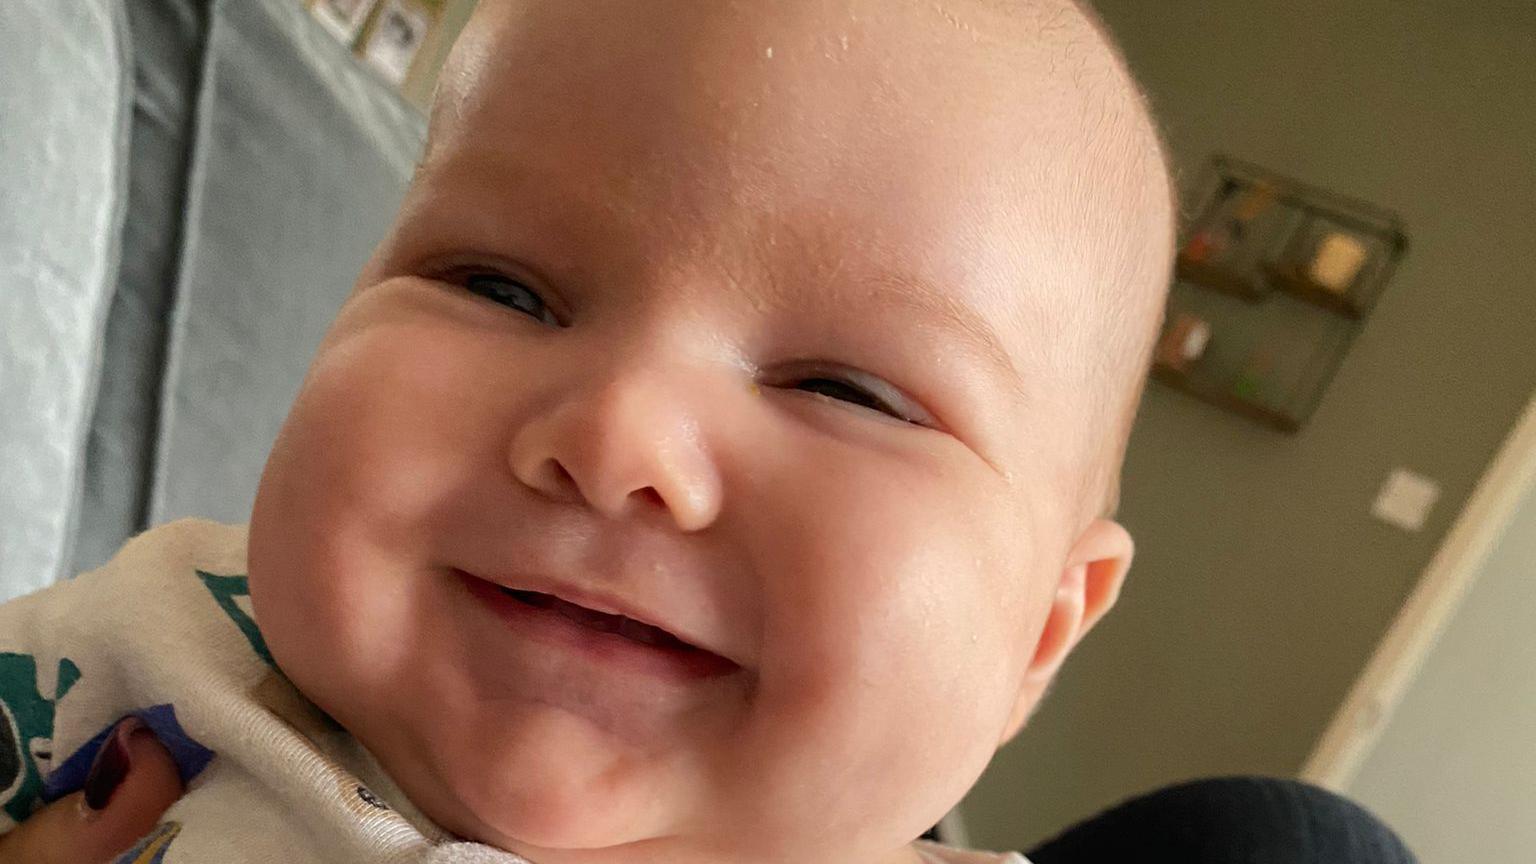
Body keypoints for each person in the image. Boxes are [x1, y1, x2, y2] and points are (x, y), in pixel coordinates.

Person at [0, 1, 1414, 862]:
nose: (619, 437)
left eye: (845, 390)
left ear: (1040, 634)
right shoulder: (149, 655)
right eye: (502, 286)